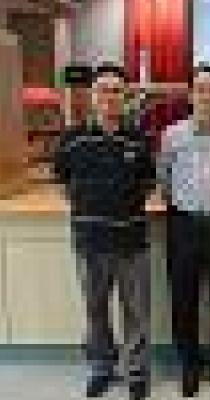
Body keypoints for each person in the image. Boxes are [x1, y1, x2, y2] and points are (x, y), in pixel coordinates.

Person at [53, 64, 155, 400]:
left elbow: (148, 183)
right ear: (93, 96)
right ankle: (102, 368)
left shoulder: (139, 139)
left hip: (132, 241)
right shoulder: (72, 139)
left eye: (116, 90)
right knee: (95, 310)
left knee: (136, 312)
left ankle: (136, 371)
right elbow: (62, 184)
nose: (110, 96)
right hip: (90, 242)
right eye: (103, 90)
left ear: (126, 96)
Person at [158, 63, 210, 397]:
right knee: (184, 300)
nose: (207, 96)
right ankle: (190, 366)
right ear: (190, 95)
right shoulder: (172, 135)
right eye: (200, 89)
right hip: (183, 225)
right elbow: (164, 179)